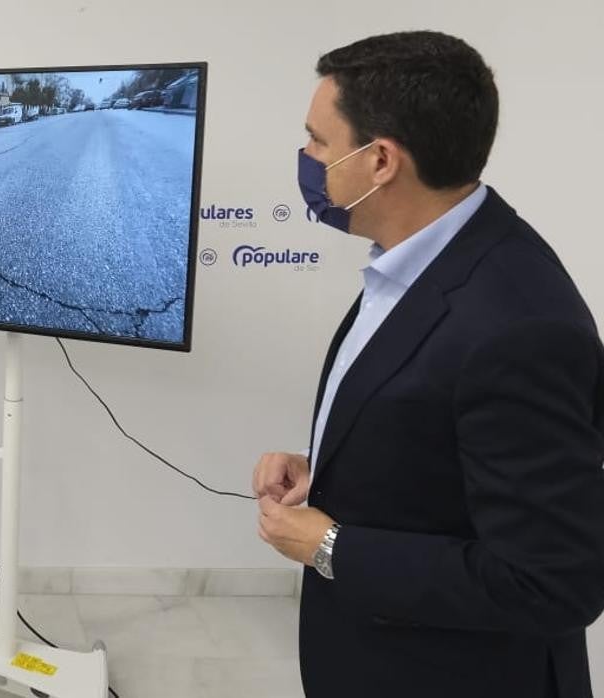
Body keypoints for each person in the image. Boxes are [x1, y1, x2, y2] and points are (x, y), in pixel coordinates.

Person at [252, 30, 604, 698]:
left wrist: (332, 547)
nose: (305, 157)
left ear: (380, 160)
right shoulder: (423, 260)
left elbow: (551, 581)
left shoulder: (520, 326)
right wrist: (327, 470)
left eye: (318, 141)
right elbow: (440, 430)